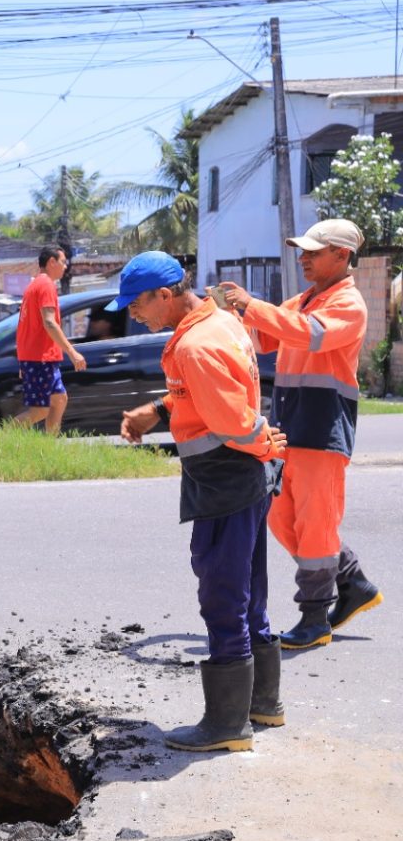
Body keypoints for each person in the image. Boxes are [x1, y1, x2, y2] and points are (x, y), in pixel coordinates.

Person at [115, 251, 288, 752]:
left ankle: (227, 725)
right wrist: (157, 408)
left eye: (137, 304)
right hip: (245, 477)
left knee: (221, 593)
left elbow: (233, 421)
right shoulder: (219, 318)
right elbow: (203, 393)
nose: (132, 313)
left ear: (164, 295)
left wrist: (263, 445)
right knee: (249, 589)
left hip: (223, 478)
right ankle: (263, 705)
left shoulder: (196, 344)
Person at [219, 219, 382, 648]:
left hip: (323, 426)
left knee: (315, 524)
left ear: (342, 256)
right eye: (303, 250)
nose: (303, 257)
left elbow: (309, 336)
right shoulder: (306, 299)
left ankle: (315, 619)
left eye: (314, 251)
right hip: (290, 425)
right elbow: (264, 339)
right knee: (280, 515)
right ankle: (353, 583)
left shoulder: (349, 304)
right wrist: (227, 314)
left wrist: (252, 305)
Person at [15, 245, 87, 433]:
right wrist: (72, 352)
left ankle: (49, 448)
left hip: (38, 358)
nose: (66, 267)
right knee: (40, 410)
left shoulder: (35, 285)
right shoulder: (45, 285)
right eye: (63, 262)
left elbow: (24, 326)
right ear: (52, 262)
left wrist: (23, 361)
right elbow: (49, 323)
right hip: (40, 358)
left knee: (59, 400)